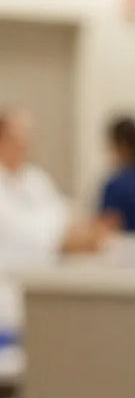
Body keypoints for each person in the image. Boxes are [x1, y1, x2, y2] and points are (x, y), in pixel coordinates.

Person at [0, 108, 111, 333]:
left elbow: (63, 217)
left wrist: (79, 233)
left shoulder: (34, 178)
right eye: (16, 136)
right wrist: (65, 240)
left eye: (26, 136)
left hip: (43, 292)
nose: (24, 143)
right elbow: (19, 232)